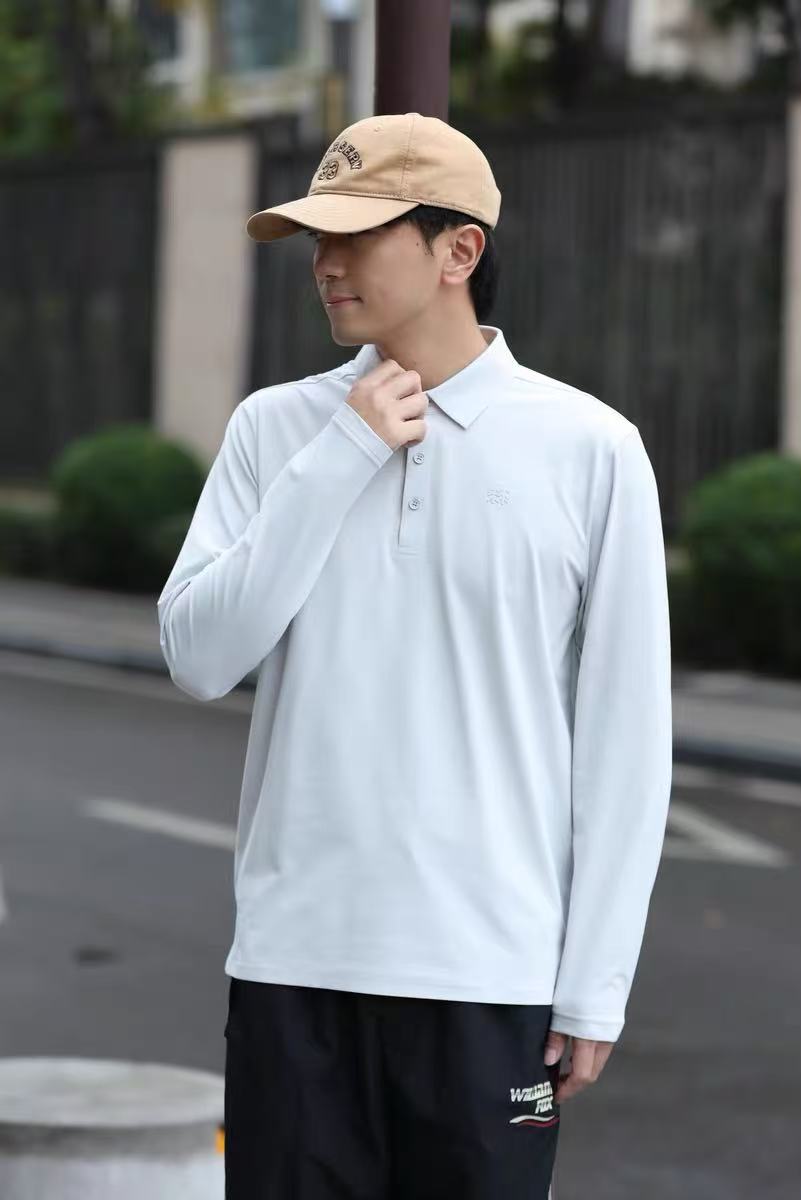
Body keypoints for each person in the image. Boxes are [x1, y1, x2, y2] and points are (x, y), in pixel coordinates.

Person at [157, 111, 672, 1200]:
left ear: (458, 249)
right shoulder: (273, 430)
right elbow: (199, 657)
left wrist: (595, 985)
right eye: (317, 237)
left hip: (491, 978)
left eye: (356, 234)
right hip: (293, 966)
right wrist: (341, 451)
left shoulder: (591, 448)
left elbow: (625, 745)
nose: (326, 262)